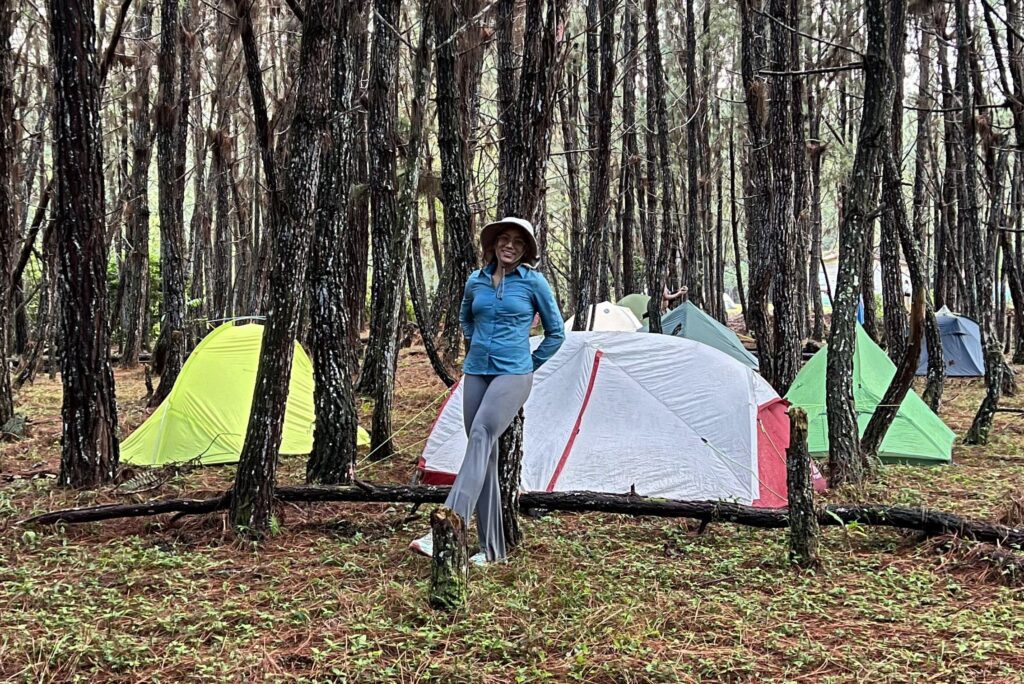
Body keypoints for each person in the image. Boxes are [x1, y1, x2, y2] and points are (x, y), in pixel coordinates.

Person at [410, 216, 565, 565]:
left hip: (513, 375)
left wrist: (529, 363)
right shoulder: (475, 282)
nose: (510, 245)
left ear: (525, 250)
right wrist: (475, 343)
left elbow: (557, 333)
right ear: (493, 244)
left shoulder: (533, 283)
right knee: (486, 457)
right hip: (476, 371)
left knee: (480, 435)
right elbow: (465, 318)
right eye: (504, 239)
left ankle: (447, 527)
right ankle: (493, 550)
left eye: (518, 242)